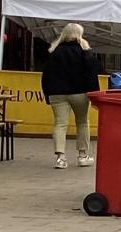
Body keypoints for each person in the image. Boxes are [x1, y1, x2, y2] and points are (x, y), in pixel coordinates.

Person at [42, 23, 100, 170]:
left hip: (57, 94)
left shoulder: (53, 52)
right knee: (82, 122)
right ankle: (83, 155)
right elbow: (92, 75)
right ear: (79, 35)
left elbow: (46, 76)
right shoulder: (85, 51)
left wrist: (47, 94)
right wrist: (95, 96)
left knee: (60, 124)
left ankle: (60, 158)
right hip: (79, 93)